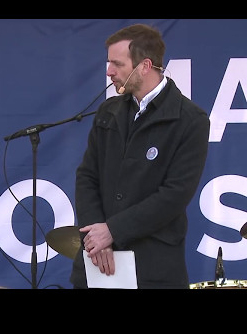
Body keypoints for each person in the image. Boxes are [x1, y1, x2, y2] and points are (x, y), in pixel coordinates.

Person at [70, 23, 210, 289]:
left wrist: (113, 231)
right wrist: (96, 234)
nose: (109, 71)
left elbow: (175, 193)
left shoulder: (190, 120)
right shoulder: (107, 111)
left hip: (153, 267)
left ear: (145, 66)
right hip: (98, 263)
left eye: (117, 64)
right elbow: (87, 175)